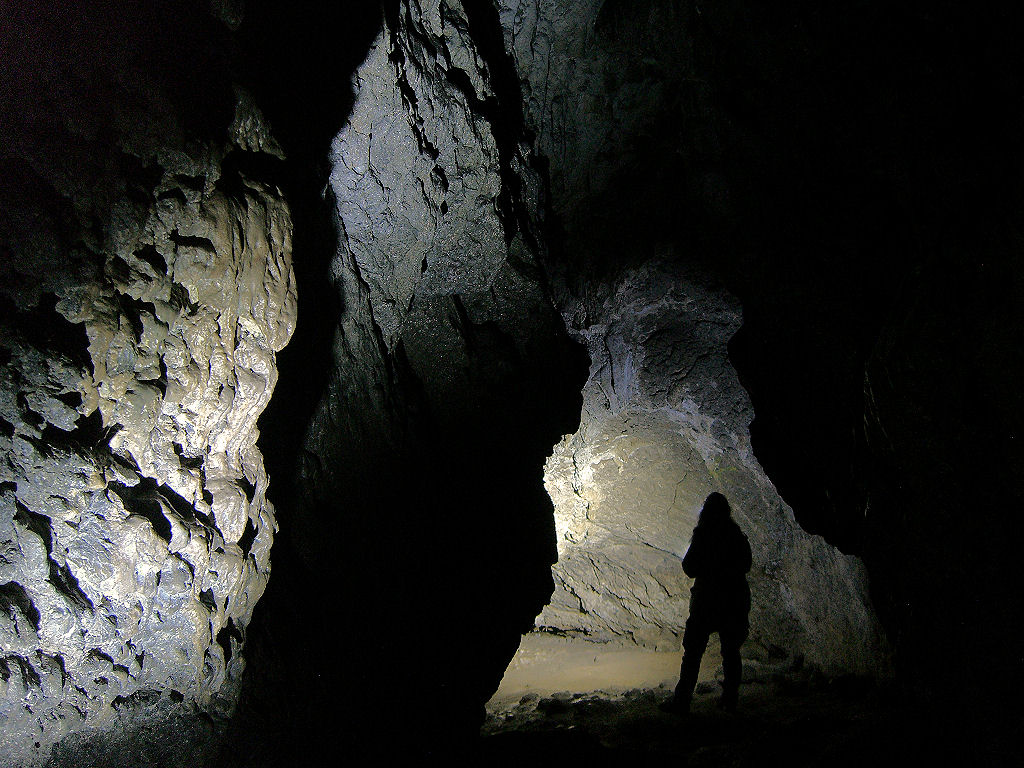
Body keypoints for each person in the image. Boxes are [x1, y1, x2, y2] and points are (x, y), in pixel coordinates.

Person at [662, 492, 752, 714]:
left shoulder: (703, 535)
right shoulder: (736, 535)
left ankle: (682, 701)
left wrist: (709, 568)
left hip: (707, 601)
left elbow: (689, 567)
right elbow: (746, 565)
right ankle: (730, 699)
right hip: (733, 601)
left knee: (692, 653)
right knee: (731, 652)